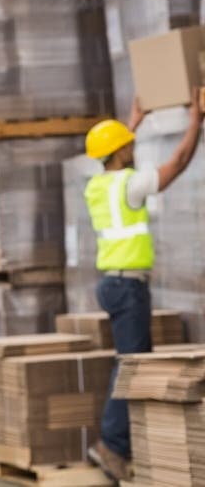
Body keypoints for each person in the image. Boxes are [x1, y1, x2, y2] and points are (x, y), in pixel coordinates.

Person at [84, 91, 203, 481]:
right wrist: (195, 121)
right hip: (128, 288)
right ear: (119, 152)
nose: (133, 146)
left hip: (112, 284)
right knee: (131, 366)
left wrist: (129, 123)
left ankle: (122, 442)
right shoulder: (130, 185)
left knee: (131, 361)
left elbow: (113, 153)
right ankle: (112, 446)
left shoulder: (98, 185)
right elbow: (178, 163)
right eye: (129, 143)